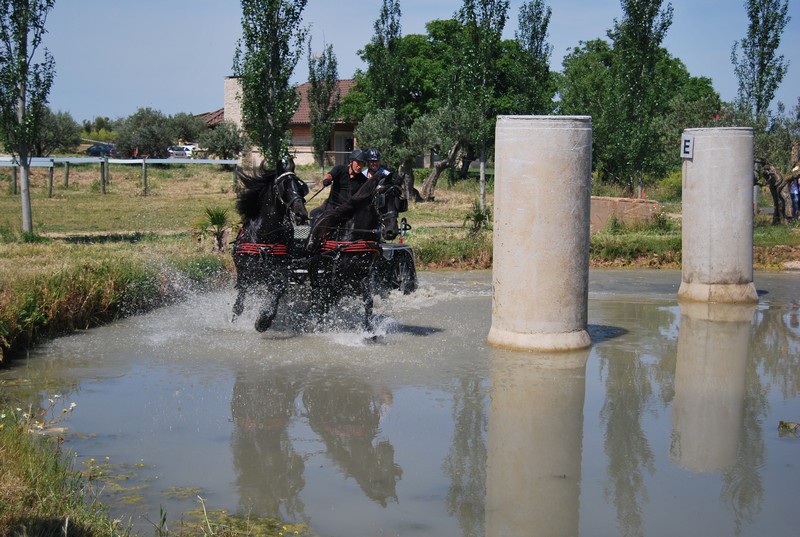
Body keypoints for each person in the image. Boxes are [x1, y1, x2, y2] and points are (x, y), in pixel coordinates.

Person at [310, 149, 367, 221]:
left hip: (348, 210)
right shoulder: (340, 169)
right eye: (358, 163)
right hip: (332, 206)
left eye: (362, 164)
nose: (360, 166)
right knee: (314, 214)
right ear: (351, 162)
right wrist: (326, 180)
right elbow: (329, 175)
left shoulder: (363, 180)